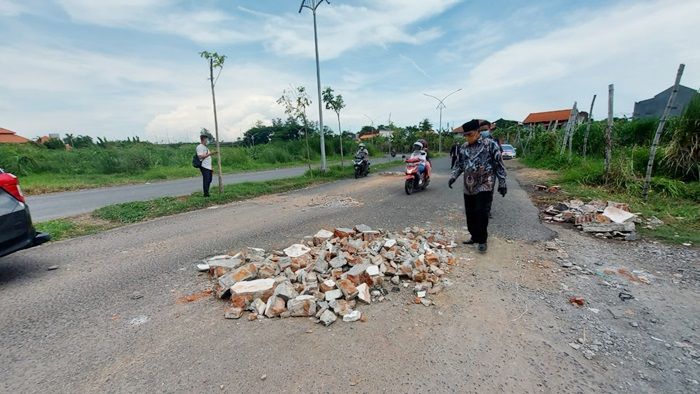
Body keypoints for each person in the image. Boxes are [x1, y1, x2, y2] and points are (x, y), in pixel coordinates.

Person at [448, 119, 507, 252]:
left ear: (477, 132)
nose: (467, 137)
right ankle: (474, 236)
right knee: (470, 213)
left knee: (481, 212)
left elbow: (499, 165)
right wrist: (453, 177)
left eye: (469, 134)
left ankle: (482, 240)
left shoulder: (490, 145)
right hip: (469, 186)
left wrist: (502, 183)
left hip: (485, 184)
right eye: (465, 135)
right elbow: (460, 164)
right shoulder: (463, 147)